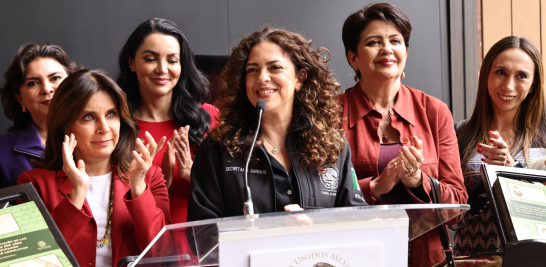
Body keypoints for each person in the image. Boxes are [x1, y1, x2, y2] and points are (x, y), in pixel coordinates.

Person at [187, 26, 366, 222]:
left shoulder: (334, 147)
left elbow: (356, 222)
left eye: (275, 67)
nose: (262, 78)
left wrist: (315, 230)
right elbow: (201, 234)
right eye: (252, 70)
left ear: (299, 78)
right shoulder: (218, 148)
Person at [338, 3, 467, 267]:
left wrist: (418, 180)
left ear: (405, 52)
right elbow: (316, 202)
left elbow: (457, 208)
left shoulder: (435, 112)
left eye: (395, 41)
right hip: (354, 257)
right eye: (374, 42)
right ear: (353, 58)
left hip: (429, 261)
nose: (387, 48)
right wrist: (374, 186)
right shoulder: (329, 115)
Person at [18, 69, 170, 267]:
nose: (104, 128)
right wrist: (77, 193)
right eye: (88, 117)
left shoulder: (151, 177)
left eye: (111, 114)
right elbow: (32, 262)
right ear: (65, 125)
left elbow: (162, 254)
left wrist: (138, 186)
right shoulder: (32, 184)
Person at [117, 18, 219, 224]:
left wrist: (195, 177)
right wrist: (153, 185)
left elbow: (236, 194)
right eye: (150, 59)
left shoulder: (208, 118)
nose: (162, 69)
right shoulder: (116, 125)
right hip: (139, 243)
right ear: (131, 62)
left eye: (172, 60)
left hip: (201, 243)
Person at [452, 36, 546, 256]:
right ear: (486, 76)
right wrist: (486, 182)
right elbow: (451, 221)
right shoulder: (458, 135)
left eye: (521, 76)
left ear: (533, 85)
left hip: (534, 260)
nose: (508, 85)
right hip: (473, 260)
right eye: (500, 72)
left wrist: (511, 172)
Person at [0, 43, 77, 188]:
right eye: (33, 83)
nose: (47, 89)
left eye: (55, 78)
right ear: (19, 98)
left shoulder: (101, 135)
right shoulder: (2, 152)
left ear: (73, 84)